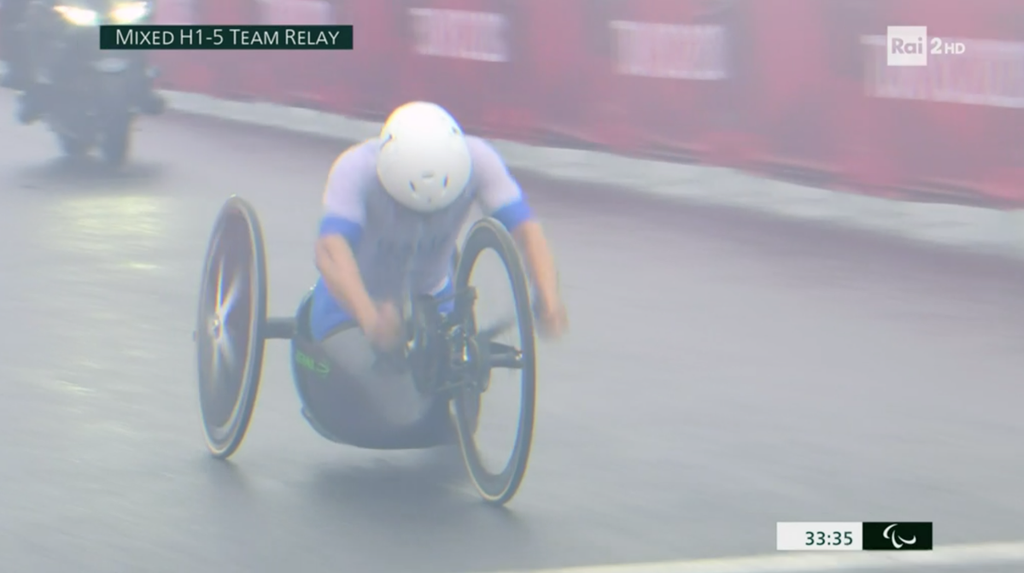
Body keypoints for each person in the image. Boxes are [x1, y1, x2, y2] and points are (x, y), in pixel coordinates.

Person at [310, 101, 567, 424]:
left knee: (427, 407)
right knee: (371, 399)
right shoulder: (354, 169)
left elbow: (526, 229)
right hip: (352, 302)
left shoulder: (480, 160)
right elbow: (329, 250)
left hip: (433, 295)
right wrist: (369, 317)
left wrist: (548, 294)